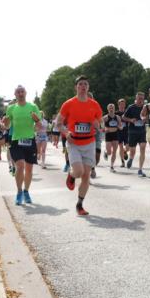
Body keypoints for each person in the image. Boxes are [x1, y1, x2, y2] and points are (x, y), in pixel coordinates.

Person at [57, 75, 103, 216]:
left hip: (89, 142)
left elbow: (99, 122)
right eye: (80, 84)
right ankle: (71, 176)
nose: (83, 87)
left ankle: (79, 204)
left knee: (86, 175)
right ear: (76, 87)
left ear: (88, 87)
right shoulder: (68, 104)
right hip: (74, 143)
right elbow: (58, 123)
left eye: (85, 84)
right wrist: (66, 132)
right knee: (78, 172)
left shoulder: (94, 105)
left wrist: (98, 126)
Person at [2, 85, 41, 205]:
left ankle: (26, 191)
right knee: (20, 166)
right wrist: (6, 122)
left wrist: (37, 121)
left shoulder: (33, 107)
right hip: (16, 141)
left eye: (22, 91)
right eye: (18, 92)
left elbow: (38, 127)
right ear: (15, 94)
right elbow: (7, 126)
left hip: (29, 140)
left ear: (26, 93)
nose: (20, 93)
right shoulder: (11, 108)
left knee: (29, 169)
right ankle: (19, 191)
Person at [123, 92, 148, 176]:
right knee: (132, 151)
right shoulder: (131, 107)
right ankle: (131, 158)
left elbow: (149, 117)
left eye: (142, 99)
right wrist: (130, 120)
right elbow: (123, 117)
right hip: (132, 132)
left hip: (142, 131)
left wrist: (146, 119)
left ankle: (140, 169)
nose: (140, 100)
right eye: (139, 98)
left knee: (143, 147)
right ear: (136, 99)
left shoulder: (146, 107)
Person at [103, 103, 122, 172]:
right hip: (108, 135)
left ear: (114, 109)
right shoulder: (105, 117)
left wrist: (119, 127)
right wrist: (105, 129)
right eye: (110, 108)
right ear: (108, 109)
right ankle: (106, 152)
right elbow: (102, 126)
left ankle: (111, 166)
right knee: (109, 152)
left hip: (115, 134)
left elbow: (121, 126)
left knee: (114, 151)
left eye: (112, 108)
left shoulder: (117, 117)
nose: (111, 109)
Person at [115, 98, 129, 167]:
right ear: (118, 105)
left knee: (128, 147)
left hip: (126, 132)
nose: (122, 105)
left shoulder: (127, 112)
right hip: (119, 132)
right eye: (121, 104)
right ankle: (122, 162)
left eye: (123, 104)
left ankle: (125, 151)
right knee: (120, 147)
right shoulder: (116, 113)